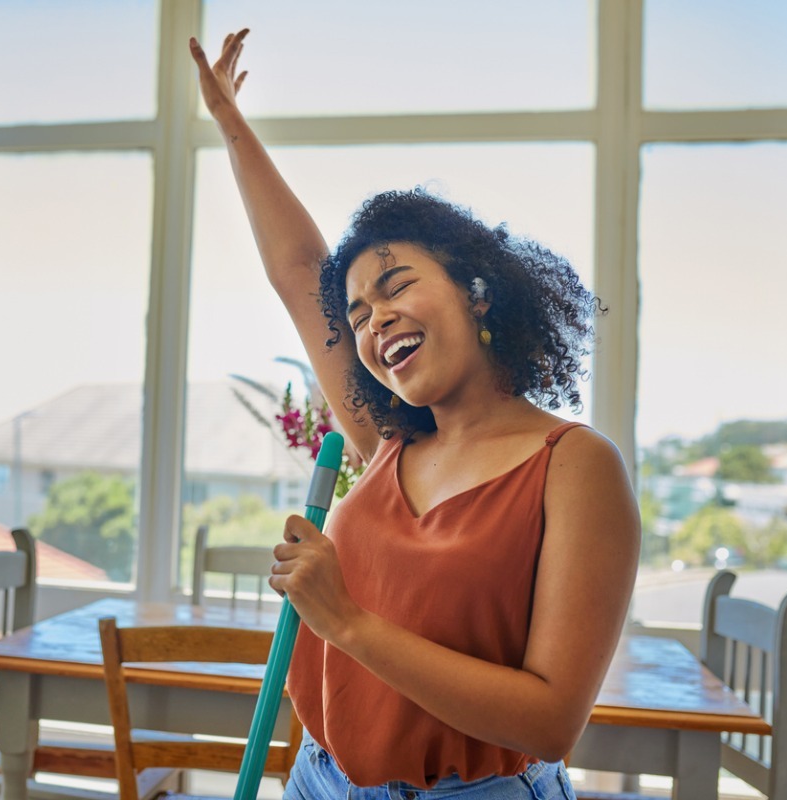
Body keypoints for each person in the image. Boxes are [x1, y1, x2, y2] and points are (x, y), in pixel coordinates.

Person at [190, 29, 640, 800]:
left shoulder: (575, 465)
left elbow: (551, 722)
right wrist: (229, 122)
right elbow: (299, 271)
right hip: (319, 782)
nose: (374, 321)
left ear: (477, 291)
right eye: (358, 313)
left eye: (396, 285)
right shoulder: (390, 442)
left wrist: (346, 622)